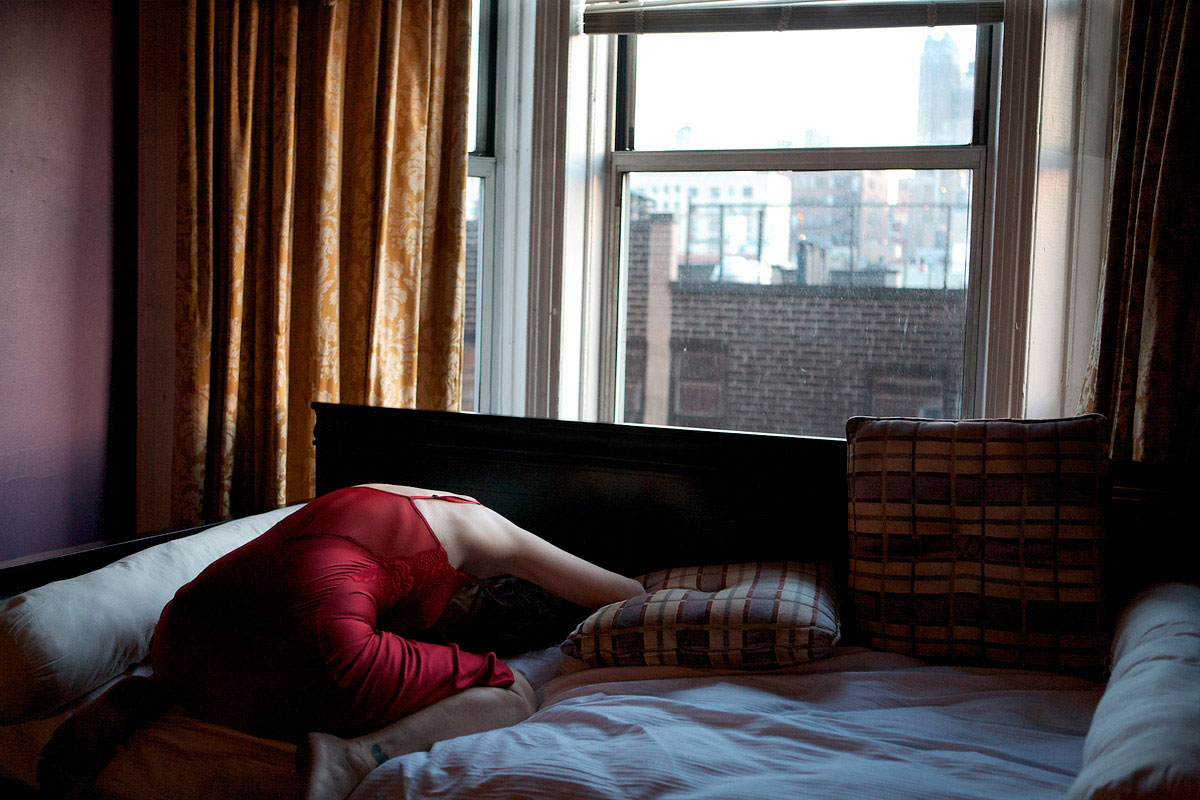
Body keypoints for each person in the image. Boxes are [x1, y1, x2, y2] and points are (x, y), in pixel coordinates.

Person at [38, 484, 645, 800]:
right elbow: (623, 590)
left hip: (180, 630)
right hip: (309, 642)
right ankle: (351, 758)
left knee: (283, 617)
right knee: (516, 688)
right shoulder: (489, 531)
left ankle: (147, 691)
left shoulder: (384, 491)